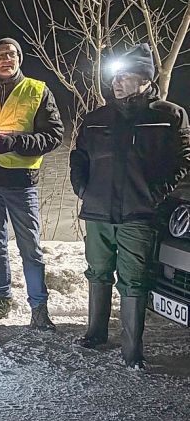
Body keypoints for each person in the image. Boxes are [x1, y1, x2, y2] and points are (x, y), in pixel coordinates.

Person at [70, 43, 190, 370]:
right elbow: (78, 156)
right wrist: (83, 188)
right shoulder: (97, 117)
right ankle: (95, 334)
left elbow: (183, 161)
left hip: (139, 215)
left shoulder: (168, 116)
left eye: (126, 76)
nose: (117, 82)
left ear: (145, 79)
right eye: (115, 76)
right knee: (97, 270)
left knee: (134, 279)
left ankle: (131, 351)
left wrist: (154, 195)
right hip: (98, 212)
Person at [0, 38, 63, 331]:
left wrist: (17, 142)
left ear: (19, 59)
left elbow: (54, 135)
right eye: (0, 55)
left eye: (11, 54)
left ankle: (38, 308)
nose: (6, 59)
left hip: (20, 181)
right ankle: (1, 299)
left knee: (30, 247)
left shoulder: (37, 90)